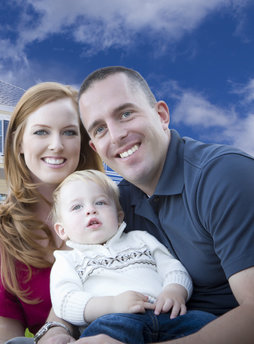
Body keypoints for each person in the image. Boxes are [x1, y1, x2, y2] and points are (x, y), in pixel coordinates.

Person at [76, 66, 254, 343]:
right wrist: (55, 331)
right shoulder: (118, 204)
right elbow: (78, 268)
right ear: (96, 148)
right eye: (100, 129)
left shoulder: (224, 175)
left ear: (161, 115)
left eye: (125, 114)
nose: (116, 135)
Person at [0, 82, 103, 344]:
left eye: (69, 132)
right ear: (18, 143)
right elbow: (5, 339)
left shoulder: (111, 208)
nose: (56, 145)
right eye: (42, 132)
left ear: (83, 143)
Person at [49, 169, 215, 343]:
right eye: (77, 207)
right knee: (99, 336)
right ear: (62, 230)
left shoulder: (141, 238)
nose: (90, 210)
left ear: (119, 216)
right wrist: (112, 304)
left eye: (100, 203)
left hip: (165, 313)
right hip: (114, 320)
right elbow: (65, 301)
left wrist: (175, 290)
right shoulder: (67, 260)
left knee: (205, 322)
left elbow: (172, 267)